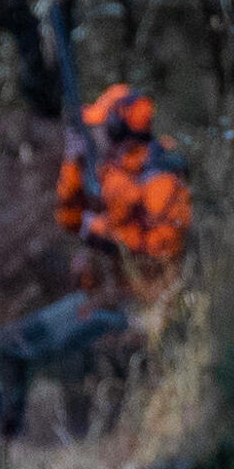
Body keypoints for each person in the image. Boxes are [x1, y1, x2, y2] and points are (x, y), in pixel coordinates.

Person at [55, 80, 196, 306]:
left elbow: (164, 249)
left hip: (146, 305)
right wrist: (72, 163)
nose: (95, 132)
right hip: (110, 296)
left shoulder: (160, 175)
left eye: (100, 124)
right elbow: (69, 221)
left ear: (116, 129)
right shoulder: (111, 172)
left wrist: (100, 232)